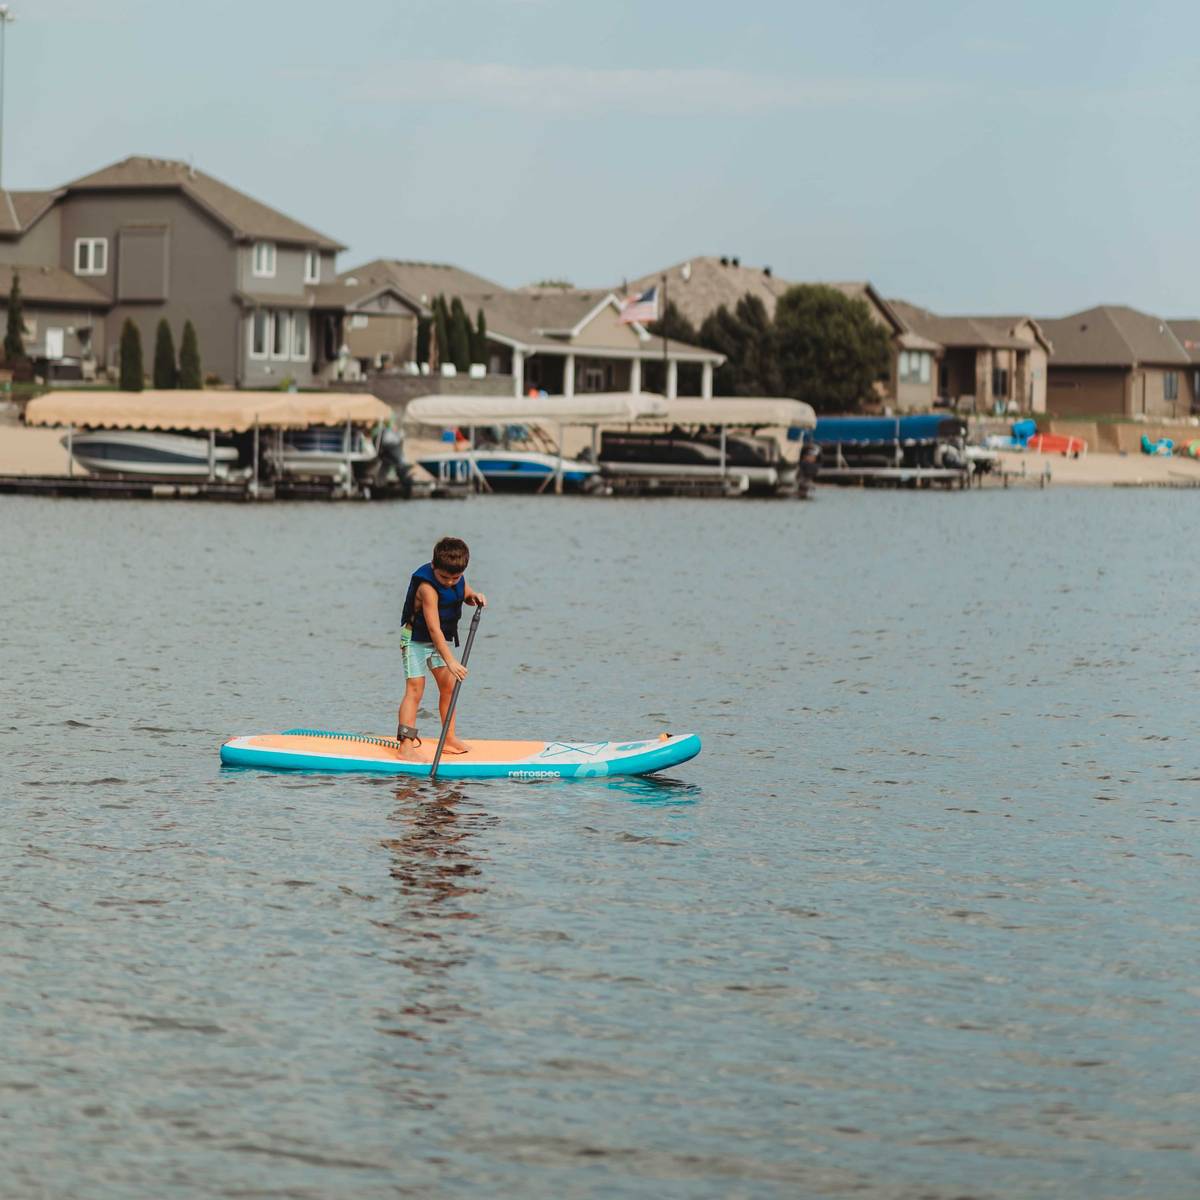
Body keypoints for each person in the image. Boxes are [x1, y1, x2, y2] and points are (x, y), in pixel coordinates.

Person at [396, 536, 486, 759]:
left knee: (450, 686)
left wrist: (474, 596)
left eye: (455, 578)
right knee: (415, 689)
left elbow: (464, 592)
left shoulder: (457, 579)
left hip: (436, 644)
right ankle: (405, 745)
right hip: (415, 640)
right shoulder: (427, 588)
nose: (449, 582)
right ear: (434, 566)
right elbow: (435, 631)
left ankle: (449, 737)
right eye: (444, 577)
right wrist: (451, 661)